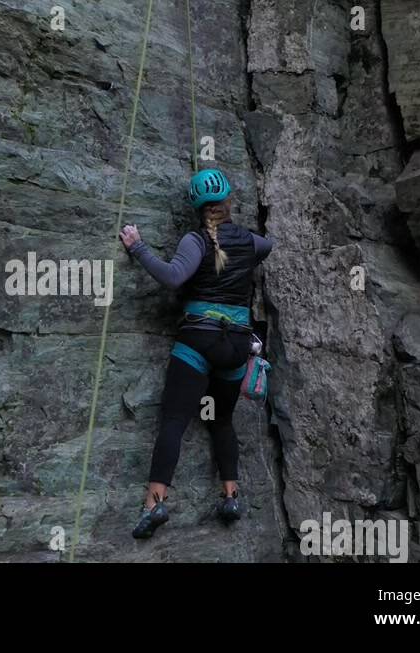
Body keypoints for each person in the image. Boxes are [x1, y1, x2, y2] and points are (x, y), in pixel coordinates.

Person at [119, 168, 273, 539]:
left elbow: (173, 277)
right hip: (237, 347)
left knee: (174, 421)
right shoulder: (253, 242)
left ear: (196, 207)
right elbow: (268, 246)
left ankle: (154, 504)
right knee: (221, 421)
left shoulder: (196, 241)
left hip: (199, 340)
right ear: (229, 201)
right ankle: (231, 496)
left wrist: (137, 246)